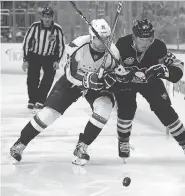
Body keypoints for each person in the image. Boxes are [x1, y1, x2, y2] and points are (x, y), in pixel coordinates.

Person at [10, 18, 127, 166]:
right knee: (48, 115)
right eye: (99, 38)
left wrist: (115, 77)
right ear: (91, 37)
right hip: (72, 83)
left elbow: (117, 76)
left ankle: (82, 146)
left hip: (96, 86)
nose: (103, 42)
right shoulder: (77, 46)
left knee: (105, 107)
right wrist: (87, 80)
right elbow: (70, 74)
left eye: (106, 38)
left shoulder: (114, 53)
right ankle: (20, 143)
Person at [113, 19, 185, 162]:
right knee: (127, 108)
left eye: (149, 39)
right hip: (126, 82)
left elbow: (178, 66)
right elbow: (110, 67)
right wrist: (119, 73)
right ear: (134, 37)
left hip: (150, 83)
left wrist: (166, 72)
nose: (145, 43)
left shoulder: (159, 47)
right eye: (142, 39)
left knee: (165, 110)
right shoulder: (121, 44)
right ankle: (123, 141)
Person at [22, 6, 65, 110]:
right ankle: (32, 100)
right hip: (34, 56)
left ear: (52, 18)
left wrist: (57, 60)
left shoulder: (57, 29)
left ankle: (41, 100)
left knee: (48, 79)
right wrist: (25, 59)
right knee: (32, 79)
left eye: (49, 17)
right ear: (42, 17)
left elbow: (61, 46)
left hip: (49, 57)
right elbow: (26, 42)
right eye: (45, 17)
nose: (47, 19)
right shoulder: (35, 27)